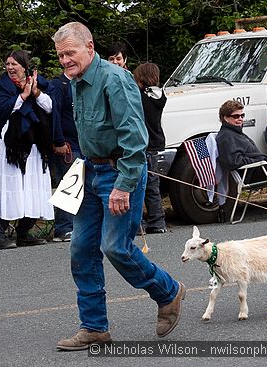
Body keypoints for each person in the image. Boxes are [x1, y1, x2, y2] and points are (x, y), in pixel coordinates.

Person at [52, 22, 185, 350]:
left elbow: (135, 139)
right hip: (91, 172)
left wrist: (123, 186)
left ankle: (168, 292)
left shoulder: (115, 79)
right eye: (60, 56)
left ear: (90, 47)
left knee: (115, 247)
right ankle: (94, 327)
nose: (65, 60)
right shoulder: (76, 82)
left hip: (120, 172)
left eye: (70, 53)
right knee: (81, 249)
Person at [0, 50, 54, 250]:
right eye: (8, 64)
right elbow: (1, 109)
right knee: (7, 188)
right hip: (7, 147)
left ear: (24, 67)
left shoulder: (38, 83)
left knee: (31, 188)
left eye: (14, 64)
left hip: (33, 147)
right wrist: (23, 95)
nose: (10, 67)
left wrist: (35, 92)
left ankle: (24, 232)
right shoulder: (0, 86)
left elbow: (50, 107)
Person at [133, 63, 167, 233]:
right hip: (155, 144)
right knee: (153, 184)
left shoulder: (140, 96)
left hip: (142, 144)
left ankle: (138, 223)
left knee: (138, 184)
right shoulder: (160, 95)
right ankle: (158, 221)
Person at [49, 71, 81, 241]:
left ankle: (77, 226)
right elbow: (54, 115)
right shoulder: (58, 85)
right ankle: (63, 228)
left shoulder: (80, 84)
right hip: (67, 145)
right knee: (69, 186)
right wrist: (58, 141)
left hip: (82, 143)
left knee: (81, 187)